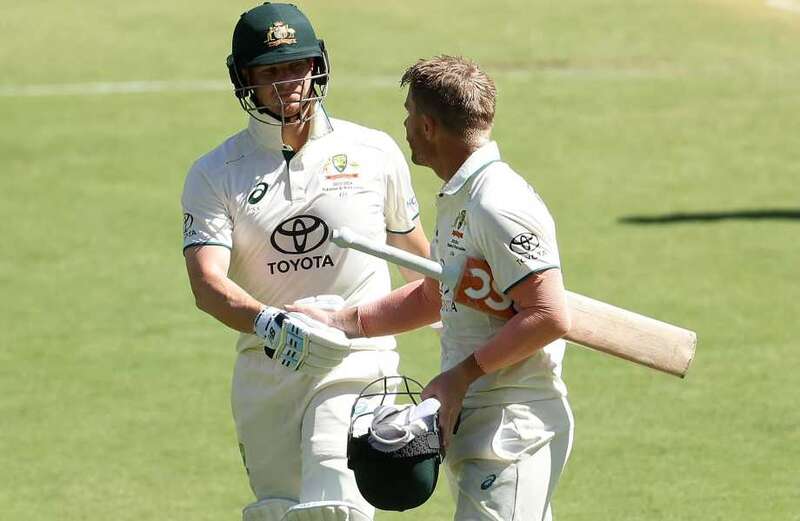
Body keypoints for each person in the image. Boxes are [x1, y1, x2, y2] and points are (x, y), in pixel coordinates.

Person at [290, 55, 574, 521]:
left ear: (427, 126)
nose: (402, 125)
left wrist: (459, 376)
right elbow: (435, 294)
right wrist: (346, 322)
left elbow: (548, 315)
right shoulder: (462, 196)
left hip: (515, 421)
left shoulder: (498, 203)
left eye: (407, 114)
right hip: (486, 419)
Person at [180, 4, 429, 521]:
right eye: (271, 72)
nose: (290, 82)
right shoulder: (215, 173)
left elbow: (422, 269)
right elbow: (207, 284)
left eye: (299, 66)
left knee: (335, 502)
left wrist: (474, 346)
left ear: (319, 65)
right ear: (244, 79)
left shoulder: (373, 152)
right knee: (278, 511)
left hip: (358, 358)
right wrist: (271, 325)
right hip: (266, 367)